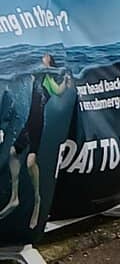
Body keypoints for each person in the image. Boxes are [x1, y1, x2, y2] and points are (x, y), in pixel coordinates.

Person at [0, 55, 71, 231]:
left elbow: (58, 90)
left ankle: (37, 201)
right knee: (12, 153)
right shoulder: (32, 75)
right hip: (28, 122)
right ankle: (14, 198)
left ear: (49, 62)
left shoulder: (46, 79)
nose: (41, 58)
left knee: (31, 161)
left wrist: (66, 81)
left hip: (38, 124)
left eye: (45, 57)